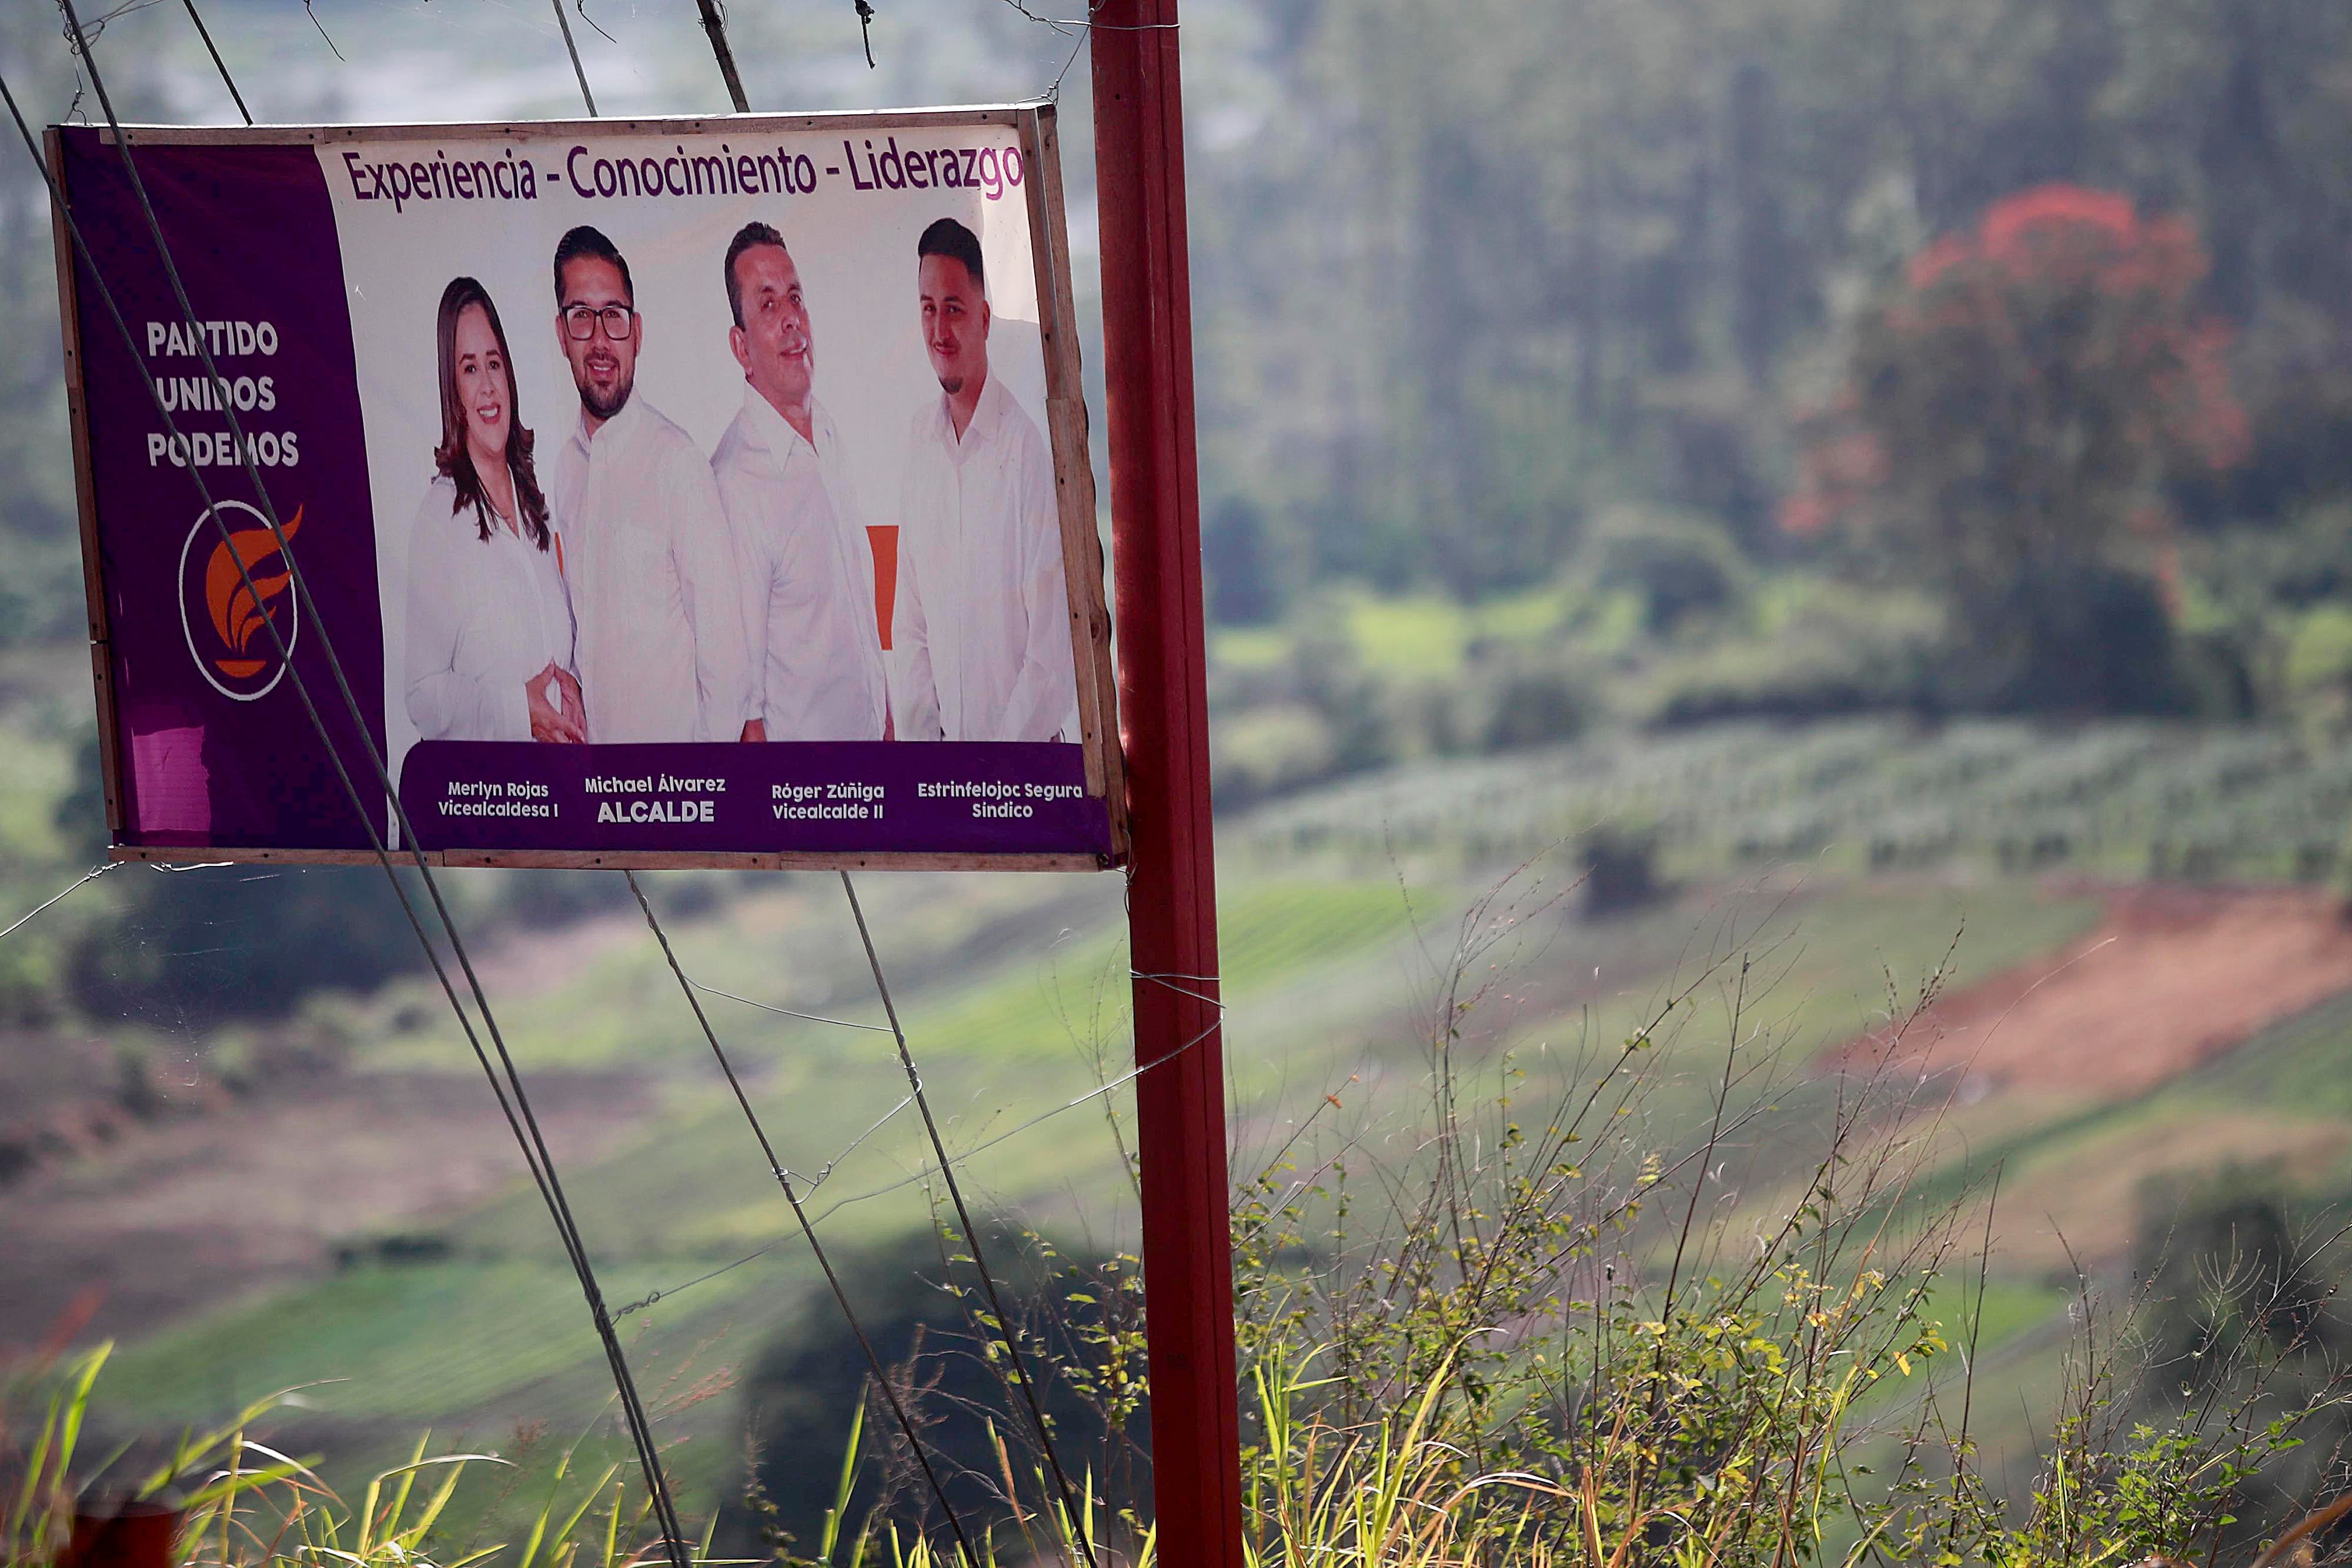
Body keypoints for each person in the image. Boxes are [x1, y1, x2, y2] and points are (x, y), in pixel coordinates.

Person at [547, 225, 753, 743]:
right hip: (591, 797)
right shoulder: (566, 470)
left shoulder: (677, 465)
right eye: (581, 318)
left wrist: (693, 790)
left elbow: (727, 665)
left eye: (613, 316)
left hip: (674, 804)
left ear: (637, 332)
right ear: (560, 334)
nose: (599, 340)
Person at [890, 216, 1081, 743]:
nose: (939, 330)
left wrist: (991, 778)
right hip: (946, 788)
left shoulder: (1026, 453)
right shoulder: (918, 445)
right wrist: (937, 765)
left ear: (985, 318)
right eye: (928, 310)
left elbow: (1051, 656)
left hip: (1022, 785)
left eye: (953, 309)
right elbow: (910, 629)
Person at [710, 222, 890, 742]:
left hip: (875, 788)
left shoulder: (828, 432)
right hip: (804, 810)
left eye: (795, 298)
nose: (791, 318)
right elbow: (745, 716)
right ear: (741, 349)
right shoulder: (734, 484)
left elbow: (859, 626)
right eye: (768, 305)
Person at [404, 276, 584, 743]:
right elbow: (423, 696)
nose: (487, 386)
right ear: (453, 393)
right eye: (469, 369)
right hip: (492, 801)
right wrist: (515, 711)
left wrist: (576, 688)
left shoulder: (536, 509)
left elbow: (560, 648)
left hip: (559, 794)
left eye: (494, 363)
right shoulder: (440, 520)